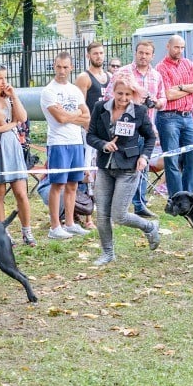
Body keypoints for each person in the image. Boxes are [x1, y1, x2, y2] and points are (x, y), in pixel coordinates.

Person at [85, 73, 160, 266]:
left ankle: (150, 226)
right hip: (105, 166)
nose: (123, 98)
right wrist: (103, 144)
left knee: (119, 215)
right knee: (102, 214)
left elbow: (150, 138)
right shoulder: (99, 107)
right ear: (113, 92)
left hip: (128, 167)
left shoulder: (139, 111)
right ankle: (108, 253)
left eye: (128, 94)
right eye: (120, 93)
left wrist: (144, 157)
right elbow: (90, 136)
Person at [106, 40, 166, 217]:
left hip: (146, 127)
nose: (143, 56)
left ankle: (140, 204)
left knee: (142, 164)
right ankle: (117, 203)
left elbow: (163, 98)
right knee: (122, 165)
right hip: (124, 126)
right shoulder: (123, 72)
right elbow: (109, 95)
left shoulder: (156, 76)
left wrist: (156, 103)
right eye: (141, 52)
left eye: (147, 53)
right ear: (135, 52)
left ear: (152, 56)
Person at [40, 52, 91, 240]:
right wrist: (75, 115)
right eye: (59, 66)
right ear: (54, 66)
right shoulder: (49, 91)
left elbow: (87, 117)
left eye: (65, 67)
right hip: (58, 142)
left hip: (76, 141)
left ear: (71, 68)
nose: (62, 71)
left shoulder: (75, 90)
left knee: (73, 185)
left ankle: (70, 223)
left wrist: (72, 115)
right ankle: (55, 226)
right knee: (58, 184)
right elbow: (59, 118)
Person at [0, 64, 35, 245]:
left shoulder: (8, 98)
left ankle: (27, 230)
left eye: (5, 78)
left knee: (21, 192)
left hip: (13, 146)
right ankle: (3, 231)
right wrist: (12, 125)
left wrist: (14, 96)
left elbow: (22, 118)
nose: (3, 81)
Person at [155, 34, 193, 197]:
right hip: (169, 117)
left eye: (182, 47)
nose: (180, 50)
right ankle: (176, 197)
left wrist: (182, 87)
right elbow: (168, 94)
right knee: (172, 159)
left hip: (188, 116)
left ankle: (188, 195)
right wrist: (190, 89)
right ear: (168, 47)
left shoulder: (188, 64)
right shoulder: (161, 68)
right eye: (176, 47)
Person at [75, 41, 110, 223]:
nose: (99, 56)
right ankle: (85, 213)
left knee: (102, 171)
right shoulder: (84, 77)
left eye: (101, 53)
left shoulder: (109, 76)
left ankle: (103, 210)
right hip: (89, 130)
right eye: (95, 53)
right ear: (88, 55)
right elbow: (79, 105)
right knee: (87, 171)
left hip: (106, 131)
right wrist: (87, 127)